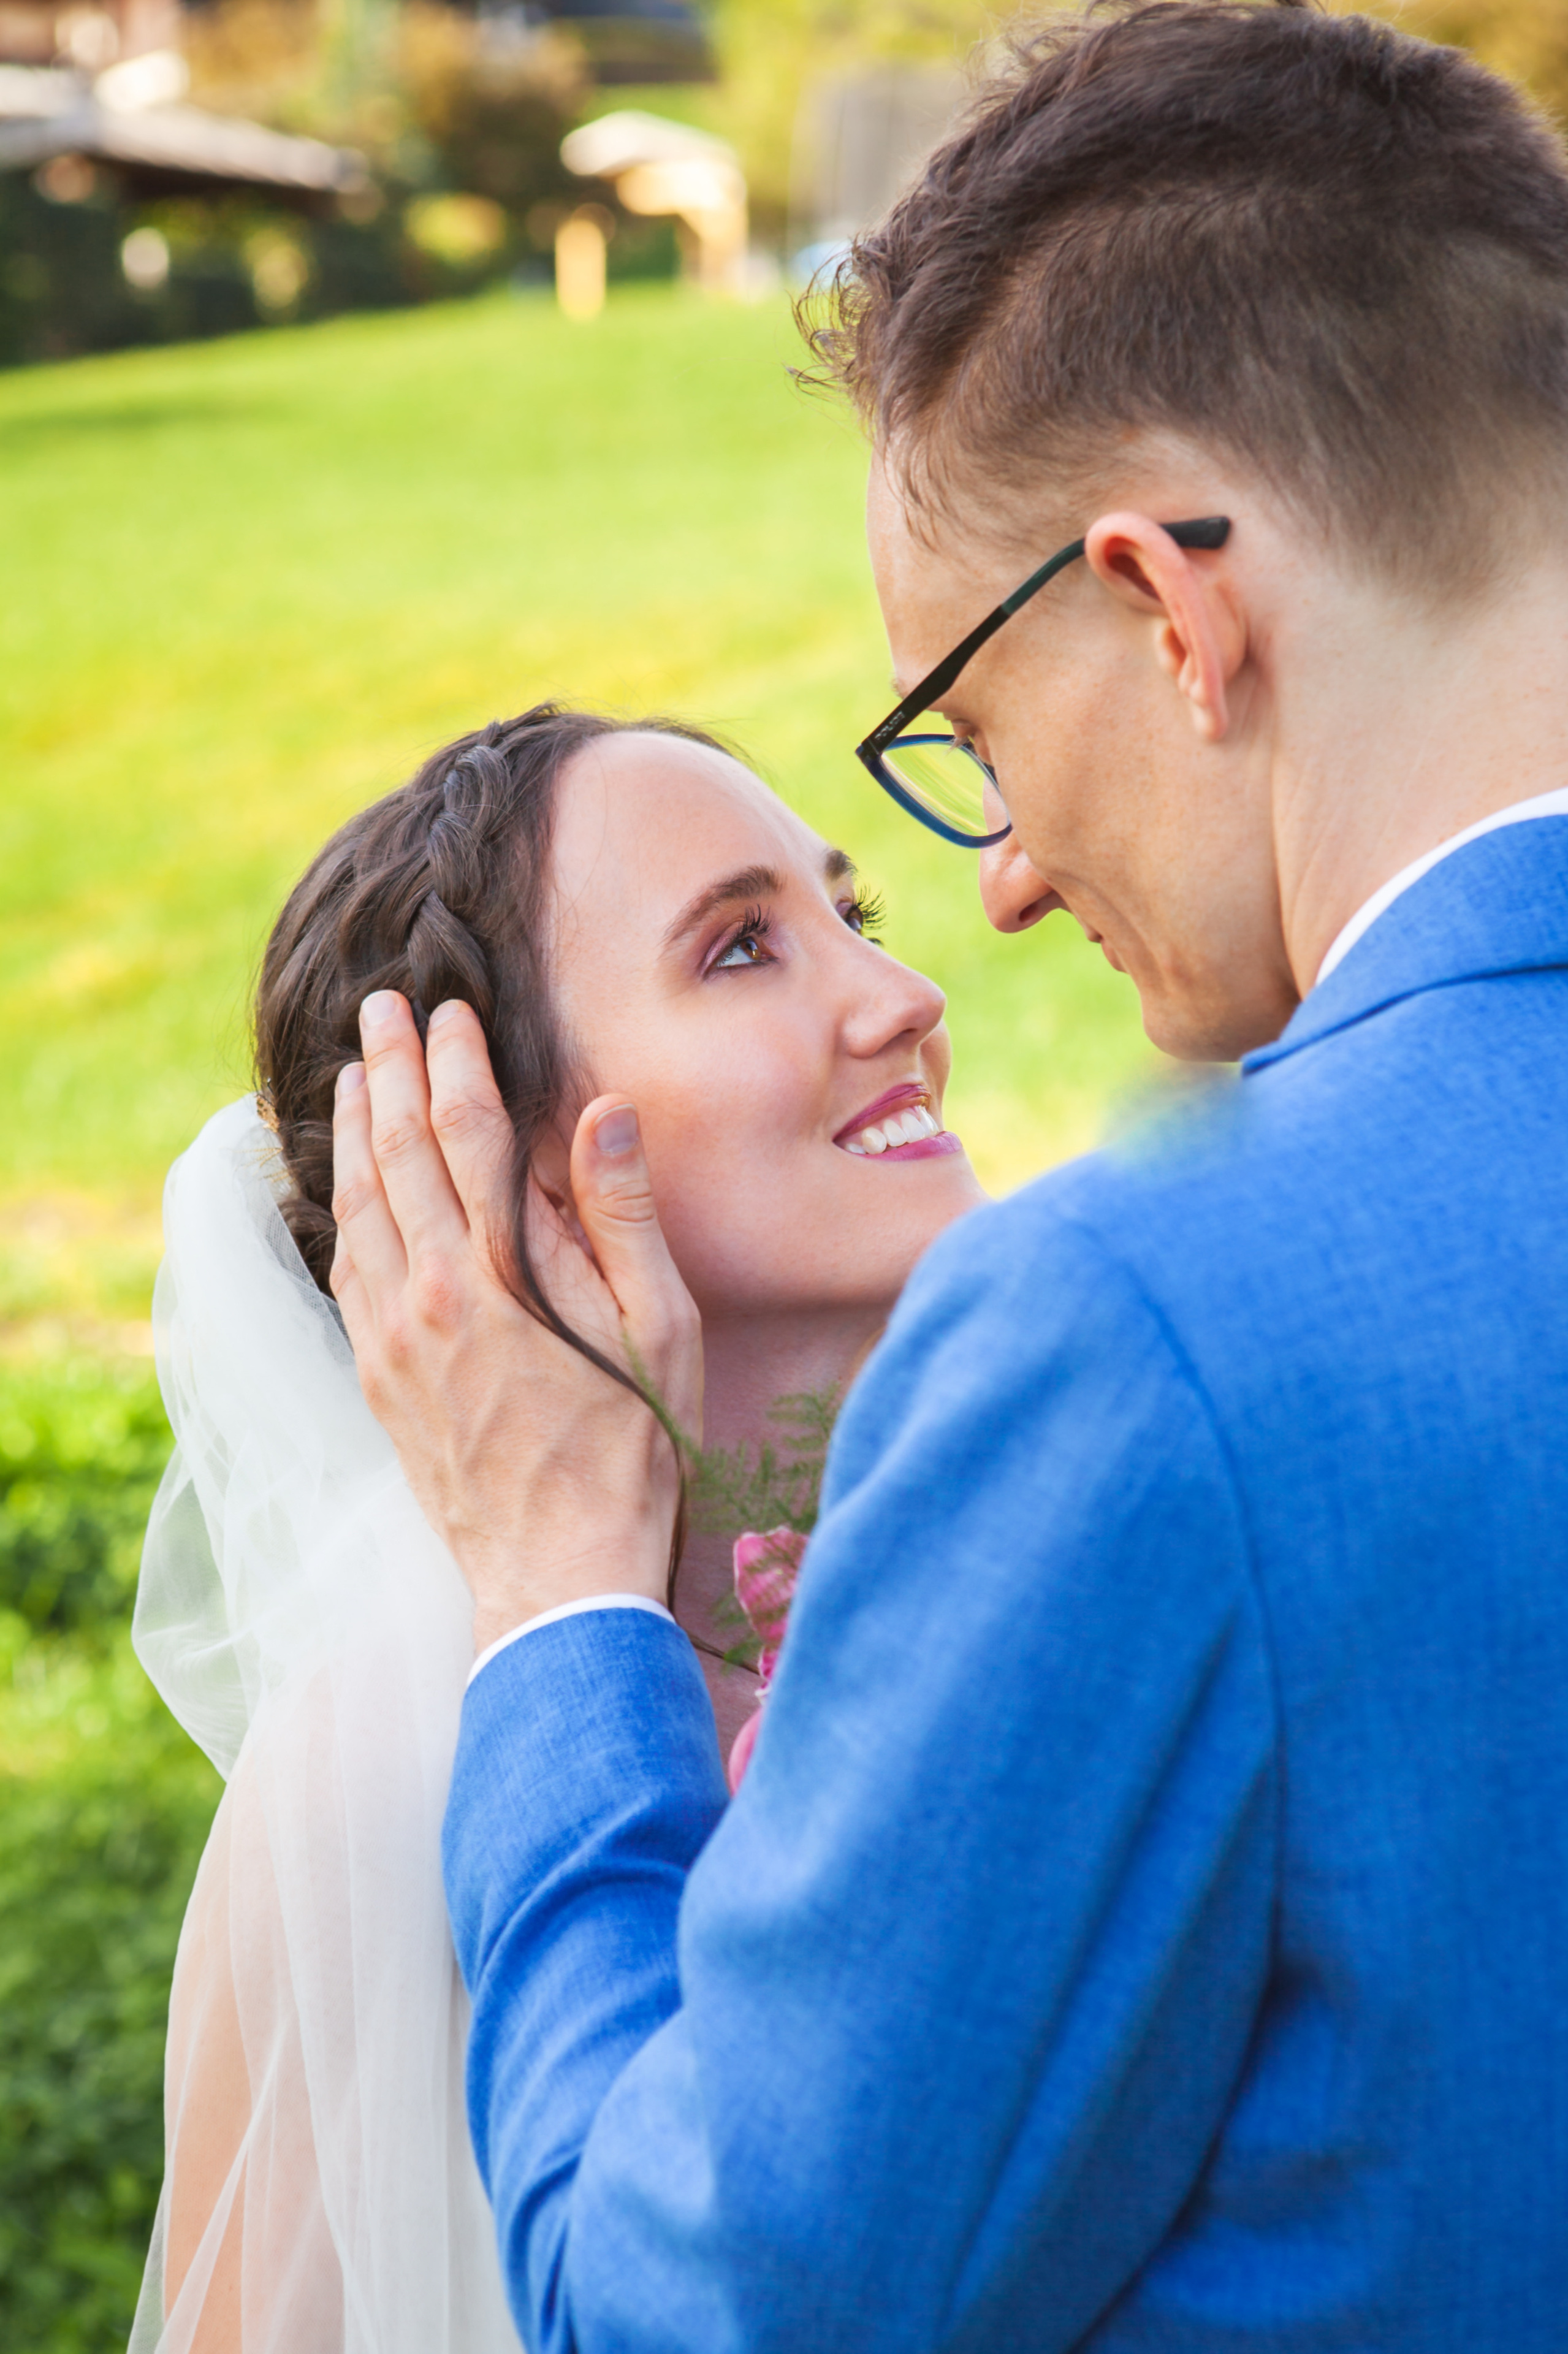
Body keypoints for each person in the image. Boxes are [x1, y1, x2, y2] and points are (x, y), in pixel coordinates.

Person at [329, 4, 1568, 2349]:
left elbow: (681, 2315)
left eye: (971, 736)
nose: (992, 890)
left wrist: (557, 1627)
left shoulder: (1152, 1335)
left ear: (1169, 609)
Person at [129, 706, 983, 2353]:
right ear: (481, 1171)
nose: (903, 999)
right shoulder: (382, 1764)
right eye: (744, 947)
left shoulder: (1040, 1541)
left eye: (852, 918)